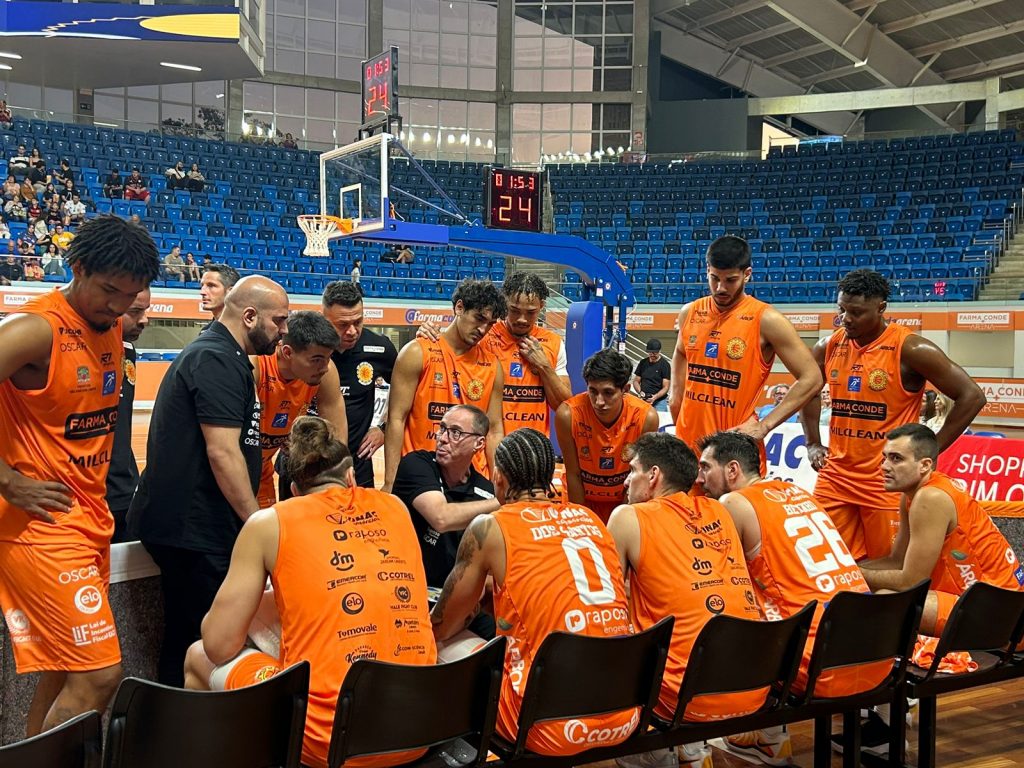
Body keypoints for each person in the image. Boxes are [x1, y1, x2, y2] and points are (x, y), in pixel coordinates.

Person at [183, 416, 436, 768]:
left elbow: (218, 645)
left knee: (198, 657)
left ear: (294, 491)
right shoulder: (395, 507)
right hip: (422, 729)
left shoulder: (270, 522)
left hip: (328, 744)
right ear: (351, 478)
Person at [0, 215, 158, 735]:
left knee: (67, 668)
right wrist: (8, 480)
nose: (116, 307)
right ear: (78, 267)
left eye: (130, 297)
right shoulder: (35, 329)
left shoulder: (111, 324)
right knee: (101, 674)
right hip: (40, 528)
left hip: (87, 521)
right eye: (109, 291)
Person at [431, 428, 639, 756]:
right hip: (624, 714)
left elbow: (442, 624)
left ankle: (451, 756)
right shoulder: (591, 518)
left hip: (546, 727)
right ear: (549, 476)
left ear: (498, 477)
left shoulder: (490, 526)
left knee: (435, 645)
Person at [127, 276, 290, 686]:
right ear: (249, 316)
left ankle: (177, 731)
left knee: (190, 635)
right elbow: (222, 451)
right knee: (206, 638)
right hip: (193, 531)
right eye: (280, 320)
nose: (284, 330)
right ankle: (182, 732)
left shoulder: (226, 356)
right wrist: (257, 524)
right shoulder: (216, 358)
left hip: (197, 527)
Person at [696, 431, 889, 766]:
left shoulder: (732, 503)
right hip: (876, 652)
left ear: (731, 471)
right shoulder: (797, 491)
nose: (699, 479)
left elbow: (714, 580)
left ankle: (766, 737)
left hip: (821, 664)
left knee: (718, 607)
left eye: (705, 468)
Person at [800, 269, 986, 561]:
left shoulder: (911, 348)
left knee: (888, 568)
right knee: (823, 564)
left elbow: (972, 396)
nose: (846, 318)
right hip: (835, 478)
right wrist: (812, 442)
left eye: (856, 312)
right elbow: (807, 390)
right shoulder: (829, 346)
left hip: (886, 482)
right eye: (842, 309)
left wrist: (931, 449)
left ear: (881, 308)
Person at [607, 433, 764, 768]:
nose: (626, 480)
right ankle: (692, 751)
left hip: (688, 700)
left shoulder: (627, 517)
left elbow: (607, 605)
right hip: (755, 687)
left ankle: (655, 752)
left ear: (653, 476)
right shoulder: (720, 509)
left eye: (632, 470)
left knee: (621, 622)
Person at [669, 235, 822, 464]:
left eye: (730, 280)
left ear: (747, 274)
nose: (720, 288)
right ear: (707, 270)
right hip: (688, 448)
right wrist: (675, 398)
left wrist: (765, 425)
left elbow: (812, 378)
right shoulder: (689, 312)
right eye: (714, 278)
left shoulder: (767, 319)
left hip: (735, 453)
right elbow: (681, 353)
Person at [862, 424, 1024, 636]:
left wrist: (853, 575)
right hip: (980, 601)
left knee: (885, 599)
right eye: (885, 457)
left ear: (925, 465)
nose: (884, 466)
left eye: (896, 459)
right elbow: (897, 561)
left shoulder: (930, 498)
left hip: (1002, 615)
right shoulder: (912, 494)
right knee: (868, 592)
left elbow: (910, 581)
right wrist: (844, 572)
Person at [385, 279, 506, 489]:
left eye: (490, 324)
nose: (483, 329)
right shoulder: (417, 352)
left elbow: (494, 430)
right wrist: (391, 481)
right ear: (459, 307)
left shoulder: (493, 366)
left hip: (472, 477)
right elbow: (396, 419)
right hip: (421, 476)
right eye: (479, 318)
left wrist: (497, 485)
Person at [419, 272, 571, 440]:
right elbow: (449, 344)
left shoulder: (553, 342)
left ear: (541, 306)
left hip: (532, 448)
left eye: (530, 312)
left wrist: (544, 367)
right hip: (486, 445)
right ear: (504, 303)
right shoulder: (483, 334)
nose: (522, 319)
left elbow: (564, 407)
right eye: (514, 310)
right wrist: (429, 333)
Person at [392, 405, 499, 633]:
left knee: (501, 642)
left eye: (456, 432)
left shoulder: (485, 491)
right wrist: (504, 503)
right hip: (407, 594)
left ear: (479, 444)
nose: (442, 439)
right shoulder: (417, 464)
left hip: (455, 599)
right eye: (442, 429)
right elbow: (441, 517)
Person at [254, 311, 347, 508]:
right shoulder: (256, 365)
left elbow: (336, 435)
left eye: (328, 358)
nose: (324, 367)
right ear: (287, 352)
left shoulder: (326, 373)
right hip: (229, 465)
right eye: (316, 359)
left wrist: (340, 474)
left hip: (261, 469)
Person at [555, 348, 659, 521]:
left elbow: (640, 476)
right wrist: (582, 520)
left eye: (608, 392)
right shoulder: (568, 414)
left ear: (625, 389)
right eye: (593, 391)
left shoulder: (646, 417)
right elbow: (573, 473)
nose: (599, 401)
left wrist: (624, 519)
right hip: (582, 501)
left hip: (625, 502)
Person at [319, 281, 397, 487]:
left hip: (357, 461)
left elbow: (406, 394)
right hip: (306, 461)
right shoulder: (305, 347)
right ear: (324, 318)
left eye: (358, 321)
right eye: (343, 325)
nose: (352, 331)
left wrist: (383, 428)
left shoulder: (381, 348)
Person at [107, 288, 151, 543]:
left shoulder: (127, 349)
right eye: (135, 311)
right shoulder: (50, 338)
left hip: (123, 490)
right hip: (77, 497)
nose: (145, 319)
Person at [633, 338, 671, 411]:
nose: (652, 355)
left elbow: (666, 387)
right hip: (643, 399)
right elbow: (636, 381)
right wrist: (640, 392)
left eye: (655, 353)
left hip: (659, 401)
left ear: (660, 351)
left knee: (661, 420)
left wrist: (655, 397)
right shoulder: (643, 363)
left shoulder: (665, 365)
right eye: (650, 353)